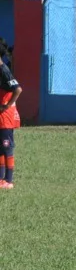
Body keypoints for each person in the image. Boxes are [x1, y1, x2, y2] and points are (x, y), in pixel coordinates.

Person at [0, 55, 20, 189]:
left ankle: (9, 180)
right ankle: (1, 179)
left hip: (6, 117)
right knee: (1, 148)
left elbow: (18, 89)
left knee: (7, 148)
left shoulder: (4, 71)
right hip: (1, 118)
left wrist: (8, 105)